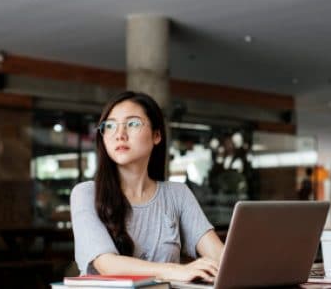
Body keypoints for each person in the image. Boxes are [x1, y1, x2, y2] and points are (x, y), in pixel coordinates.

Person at [70, 91, 224, 282]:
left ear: (156, 135)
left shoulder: (177, 194)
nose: (120, 134)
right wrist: (177, 270)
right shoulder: (86, 194)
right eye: (110, 126)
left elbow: (221, 258)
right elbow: (107, 264)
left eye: (133, 124)